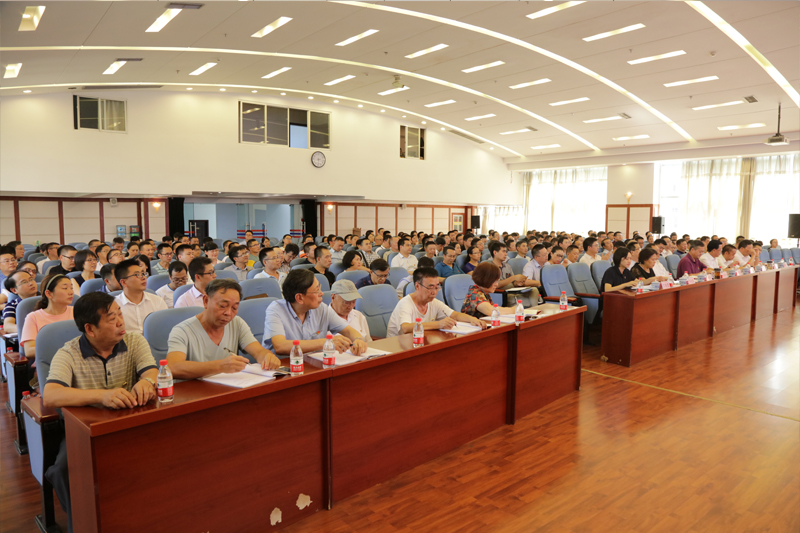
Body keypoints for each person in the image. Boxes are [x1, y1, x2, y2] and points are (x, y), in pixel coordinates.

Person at [42, 292, 160, 533]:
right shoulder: (69, 353)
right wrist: (101, 396)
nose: (120, 322)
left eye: (120, 314)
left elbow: (151, 371)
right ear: (90, 329)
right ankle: (82, 523)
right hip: (84, 430)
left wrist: (146, 382)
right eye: (111, 318)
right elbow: (51, 395)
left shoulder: (134, 341)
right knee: (65, 470)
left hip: (128, 423)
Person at [166, 279, 280, 379]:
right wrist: (220, 366)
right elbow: (172, 367)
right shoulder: (182, 331)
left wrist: (266, 356)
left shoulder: (237, 323)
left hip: (230, 387)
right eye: (222, 306)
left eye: (234, 308)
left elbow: (258, 351)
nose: (228, 313)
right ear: (206, 301)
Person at [263, 269, 367, 355]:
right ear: (299, 298)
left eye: (319, 288)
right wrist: (326, 342)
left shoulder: (322, 308)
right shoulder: (276, 309)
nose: (321, 293)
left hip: (315, 363)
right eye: (316, 290)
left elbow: (348, 330)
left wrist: (358, 339)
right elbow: (280, 346)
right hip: (284, 366)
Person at [386, 267, 485, 337]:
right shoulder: (406, 303)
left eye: (437, 287)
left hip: (419, 342)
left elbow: (454, 315)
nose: (434, 292)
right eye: (430, 287)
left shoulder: (433, 302)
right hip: (397, 348)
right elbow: (405, 328)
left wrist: (473, 319)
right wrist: (438, 324)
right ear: (417, 286)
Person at [20, 274, 75, 363]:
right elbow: (29, 351)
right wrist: (66, 350)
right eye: (65, 288)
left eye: (71, 288)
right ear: (49, 294)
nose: (71, 292)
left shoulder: (77, 312)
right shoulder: (33, 317)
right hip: (50, 364)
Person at [113, 259, 167, 335]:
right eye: (137, 275)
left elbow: (165, 328)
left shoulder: (157, 301)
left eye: (143, 274)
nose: (144, 277)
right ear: (124, 282)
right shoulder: (114, 305)